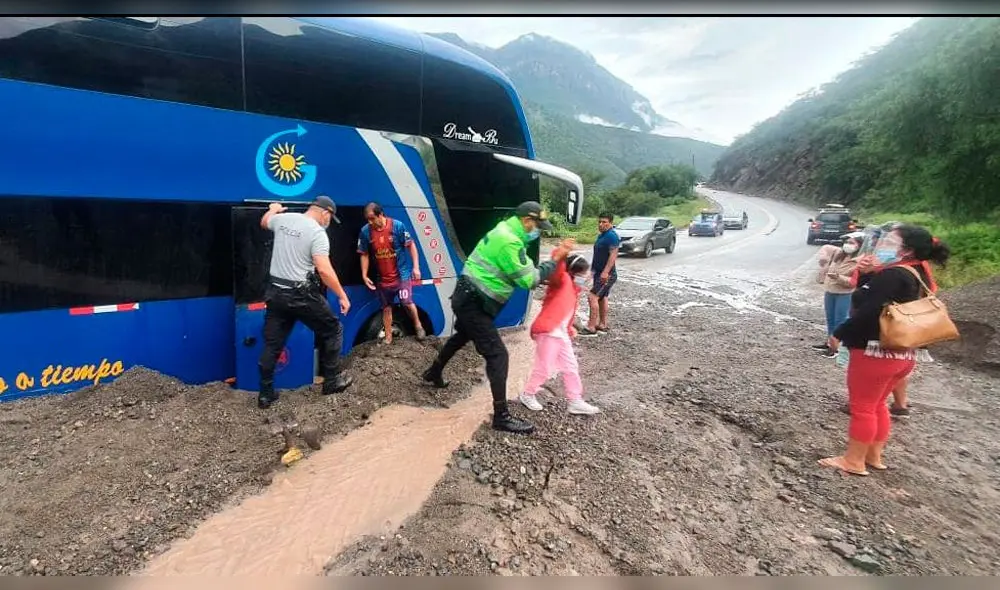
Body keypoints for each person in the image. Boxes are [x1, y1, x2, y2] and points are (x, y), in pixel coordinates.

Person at [421, 201, 574, 434]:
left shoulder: (503, 229)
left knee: (462, 336)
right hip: (474, 302)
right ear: (527, 221)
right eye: (537, 226)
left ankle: (433, 373)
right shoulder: (510, 242)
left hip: (467, 297)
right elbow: (529, 280)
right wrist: (555, 260)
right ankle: (501, 416)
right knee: (498, 355)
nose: (538, 232)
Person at [819, 224, 950, 475]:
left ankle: (853, 461)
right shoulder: (915, 272)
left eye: (889, 241)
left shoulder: (893, 275)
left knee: (863, 408)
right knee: (878, 405)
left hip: (874, 353)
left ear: (907, 250)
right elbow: (880, 299)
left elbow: (869, 311)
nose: (882, 245)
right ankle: (873, 457)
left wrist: (839, 333)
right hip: (901, 354)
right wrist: (869, 274)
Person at [257, 196, 353, 409]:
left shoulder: (284, 219)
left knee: (273, 344)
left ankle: (265, 394)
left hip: (276, 293)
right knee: (333, 329)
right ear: (325, 213)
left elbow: (264, 222)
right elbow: (325, 271)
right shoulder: (317, 233)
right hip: (301, 295)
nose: (329, 222)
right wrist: (342, 295)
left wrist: (273, 209)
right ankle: (332, 380)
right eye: (330, 218)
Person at [519, 252, 601, 415]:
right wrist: (561, 252)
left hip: (561, 334)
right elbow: (558, 270)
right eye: (583, 274)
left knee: (571, 367)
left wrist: (570, 328)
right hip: (548, 333)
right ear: (573, 273)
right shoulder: (562, 281)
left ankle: (575, 400)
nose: (586, 277)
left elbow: (566, 313)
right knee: (544, 368)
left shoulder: (573, 289)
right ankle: (527, 394)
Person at [357, 202, 425, 344]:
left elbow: (411, 245)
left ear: (380, 214)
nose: (370, 222)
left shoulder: (397, 226)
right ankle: (388, 337)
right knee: (386, 308)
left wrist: (416, 267)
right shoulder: (365, 231)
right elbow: (364, 254)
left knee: (406, 302)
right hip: (382, 279)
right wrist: (364, 275)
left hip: (401, 276)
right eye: (367, 220)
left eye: (372, 218)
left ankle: (418, 325)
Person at [814, 233, 862, 358]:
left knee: (840, 320)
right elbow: (825, 247)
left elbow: (853, 282)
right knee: (830, 319)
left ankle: (836, 348)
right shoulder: (839, 254)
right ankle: (830, 342)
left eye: (852, 243)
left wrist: (838, 277)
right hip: (830, 290)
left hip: (844, 294)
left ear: (859, 246)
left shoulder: (859, 261)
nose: (848, 245)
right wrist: (823, 258)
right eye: (848, 242)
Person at [580, 213, 619, 336]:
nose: (601, 224)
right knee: (602, 297)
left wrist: (606, 272)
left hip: (607, 274)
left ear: (611, 223)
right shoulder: (602, 236)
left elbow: (613, 255)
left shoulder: (612, 236)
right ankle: (602, 324)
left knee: (592, 297)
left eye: (604, 222)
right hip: (599, 273)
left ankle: (591, 327)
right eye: (599, 222)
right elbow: (598, 256)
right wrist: (592, 271)